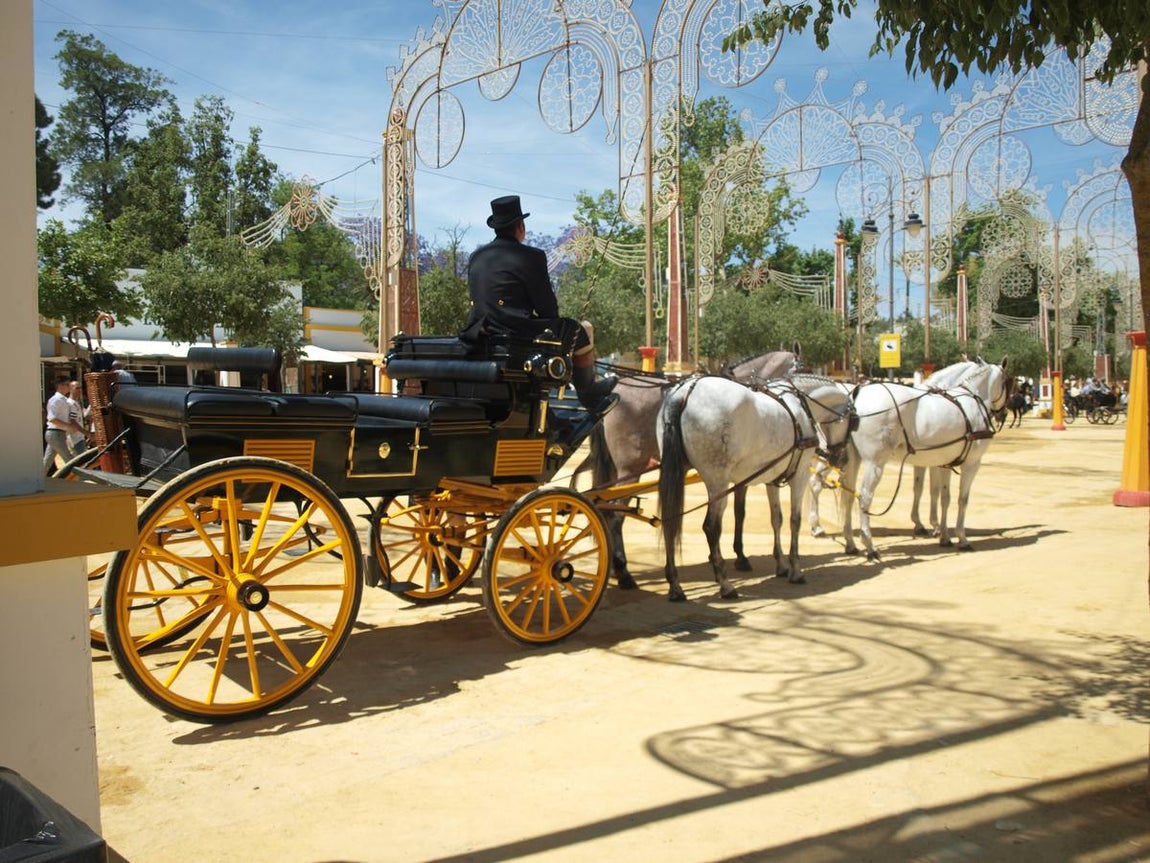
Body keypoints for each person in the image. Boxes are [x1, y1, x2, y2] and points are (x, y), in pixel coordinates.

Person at [461, 195, 616, 412]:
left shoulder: (477, 256)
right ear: (520, 226)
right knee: (577, 331)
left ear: (496, 228)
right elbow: (547, 309)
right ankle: (588, 393)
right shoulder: (531, 256)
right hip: (515, 333)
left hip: (481, 331)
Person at [42, 377, 87, 473]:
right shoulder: (55, 400)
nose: (69, 387)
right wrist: (69, 426)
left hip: (58, 433)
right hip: (55, 433)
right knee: (69, 459)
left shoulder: (63, 400)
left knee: (47, 461)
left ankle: (38, 479)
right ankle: (78, 478)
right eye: (67, 385)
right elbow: (52, 418)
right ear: (60, 386)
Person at [65, 380, 89, 455]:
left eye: (80, 388)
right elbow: (73, 421)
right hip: (75, 439)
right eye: (77, 388)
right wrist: (86, 433)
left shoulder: (76, 403)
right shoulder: (70, 404)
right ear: (70, 389)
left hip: (80, 437)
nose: (79, 390)